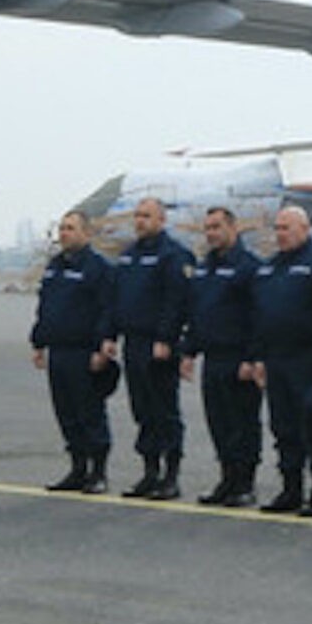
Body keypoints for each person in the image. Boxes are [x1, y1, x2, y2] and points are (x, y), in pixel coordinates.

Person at [246, 206, 312, 516]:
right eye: (277, 228)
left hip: (311, 359)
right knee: (283, 428)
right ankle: (291, 489)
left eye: (286, 228)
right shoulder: (268, 268)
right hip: (277, 359)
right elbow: (259, 318)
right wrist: (258, 357)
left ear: (305, 228)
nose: (280, 234)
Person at [99, 197, 193, 501]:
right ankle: (149, 472)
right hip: (134, 344)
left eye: (147, 216)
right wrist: (109, 335)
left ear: (162, 220)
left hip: (159, 346)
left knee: (164, 410)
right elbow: (115, 300)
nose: (140, 221)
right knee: (142, 410)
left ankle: (171, 475)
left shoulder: (174, 255)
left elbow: (176, 302)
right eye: (137, 216)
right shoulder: (129, 256)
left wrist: (166, 339)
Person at [30, 210, 115, 493]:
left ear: (86, 233)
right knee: (66, 413)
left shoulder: (97, 267)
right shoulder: (55, 266)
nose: (63, 233)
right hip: (58, 351)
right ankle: (78, 469)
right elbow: (46, 307)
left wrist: (103, 345)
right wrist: (38, 342)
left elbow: (107, 309)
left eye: (70, 228)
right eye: (62, 228)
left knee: (90, 412)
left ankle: (98, 472)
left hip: (84, 352)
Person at [183, 206, 261, 507]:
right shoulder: (204, 268)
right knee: (219, 423)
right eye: (208, 228)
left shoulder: (248, 267)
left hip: (238, 358)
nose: (212, 233)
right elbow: (197, 312)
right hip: (212, 358)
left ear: (233, 227)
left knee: (243, 424)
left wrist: (251, 357)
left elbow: (257, 317)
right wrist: (188, 351)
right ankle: (227, 479)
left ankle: (245, 483)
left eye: (217, 227)